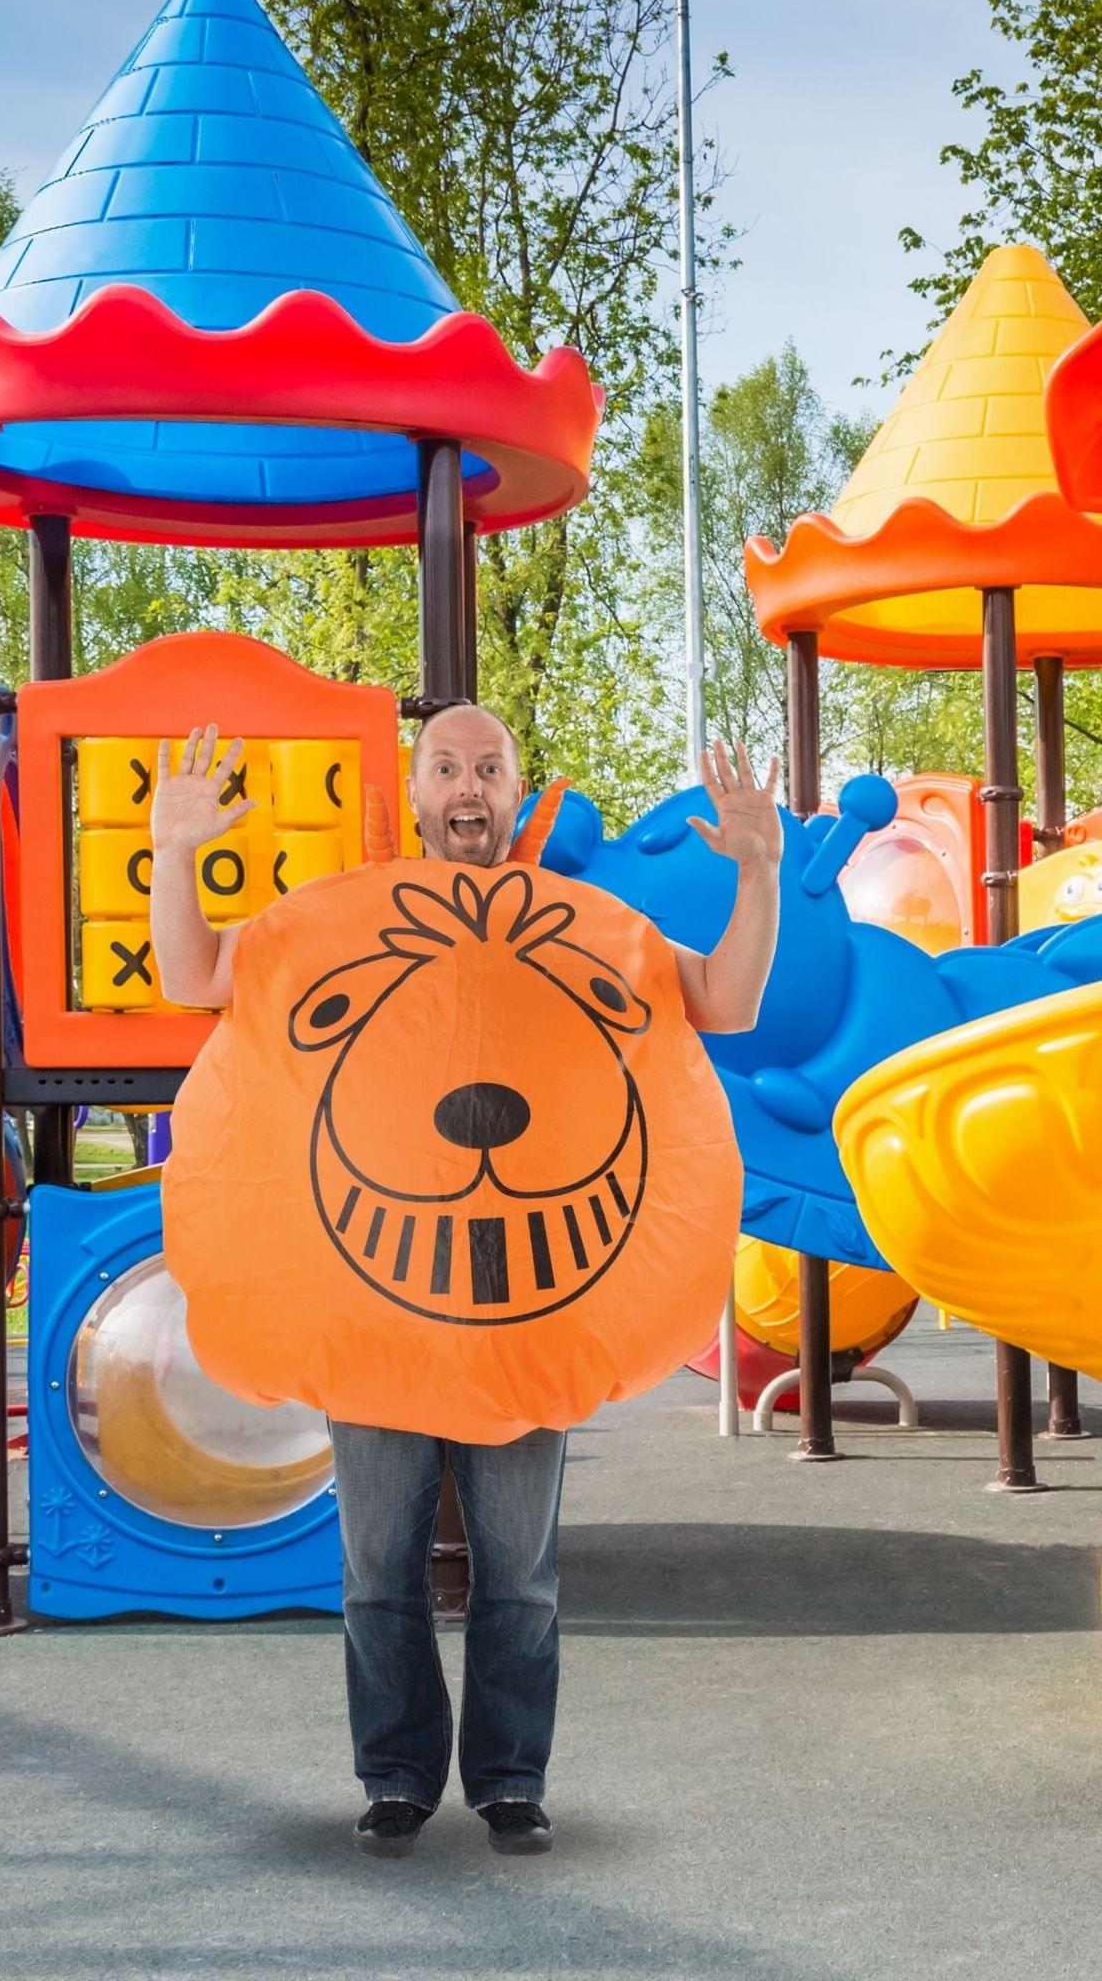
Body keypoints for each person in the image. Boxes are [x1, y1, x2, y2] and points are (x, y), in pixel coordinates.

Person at [150, 701, 782, 1860]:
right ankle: (395, 1775)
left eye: (488, 766)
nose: (468, 786)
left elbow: (723, 1002)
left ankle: (507, 1780)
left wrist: (758, 875)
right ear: (417, 784)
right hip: (373, 1324)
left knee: (519, 1577)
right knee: (377, 1573)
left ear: (512, 783)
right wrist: (177, 851)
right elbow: (195, 975)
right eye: (446, 765)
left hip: (519, 1326)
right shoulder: (334, 921)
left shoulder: (586, 924)